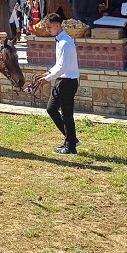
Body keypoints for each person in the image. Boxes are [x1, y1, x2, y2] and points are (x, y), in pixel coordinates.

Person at [32, 13, 80, 155]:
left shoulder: (65, 42)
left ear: (58, 25)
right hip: (62, 80)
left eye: (49, 27)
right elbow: (59, 64)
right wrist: (48, 73)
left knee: (66, 114)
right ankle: (71, 139)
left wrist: (48, 78)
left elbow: (63, 67)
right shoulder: (60, 40)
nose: (48, 30)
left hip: (67, 81)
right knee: (51, 109)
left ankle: (71, 147)